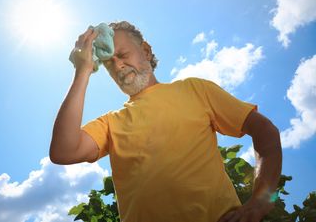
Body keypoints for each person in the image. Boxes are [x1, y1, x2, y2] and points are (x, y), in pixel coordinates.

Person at [49, 21, 282, 222]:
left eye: (122, 54)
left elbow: (265, 131)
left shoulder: (194, 89)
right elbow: (63, 151)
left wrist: (262, 200)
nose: (118, 65)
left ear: (146, 51)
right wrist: (82, 71)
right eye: (109, 63)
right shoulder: (111, 122)